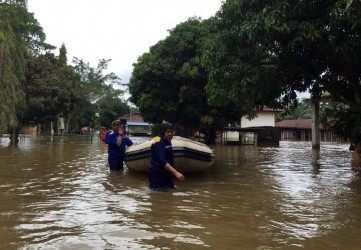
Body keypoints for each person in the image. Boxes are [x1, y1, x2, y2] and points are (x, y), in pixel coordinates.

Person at [148, 122, 185, 190]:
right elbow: (162, 160)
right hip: (157, 174)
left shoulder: (167, 141)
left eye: (171, 132)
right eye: (168, 132)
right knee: (156, 195)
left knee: (171, 192)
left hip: (167, 173)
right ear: (163, 131)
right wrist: (176, 173)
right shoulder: (158, 142)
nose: (170, 134)